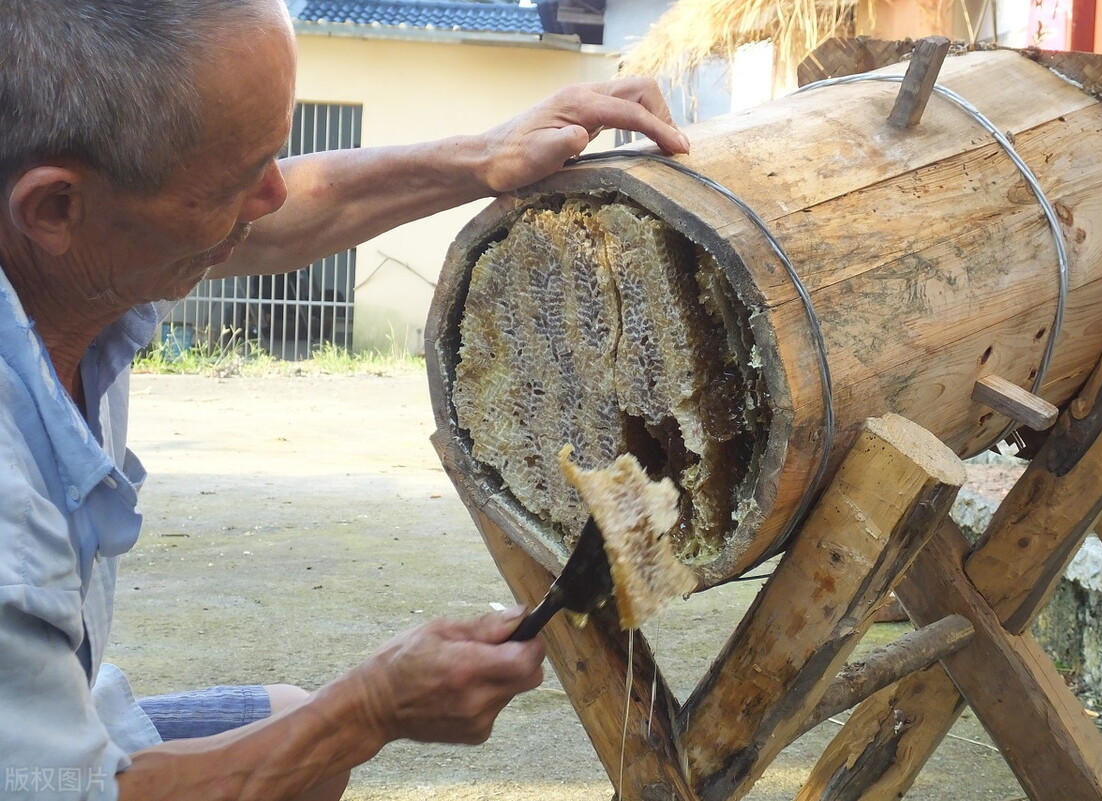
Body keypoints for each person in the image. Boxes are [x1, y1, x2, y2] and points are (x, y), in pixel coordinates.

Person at [0, 1, 690, 799]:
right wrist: (367, 707)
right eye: (233, 180)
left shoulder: (81, 247)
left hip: (58, 711)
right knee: (318, 733)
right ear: (54, 208)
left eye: (272, 158)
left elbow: (277, 216)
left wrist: (483, 156)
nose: (271, 194)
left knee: (299, 736)